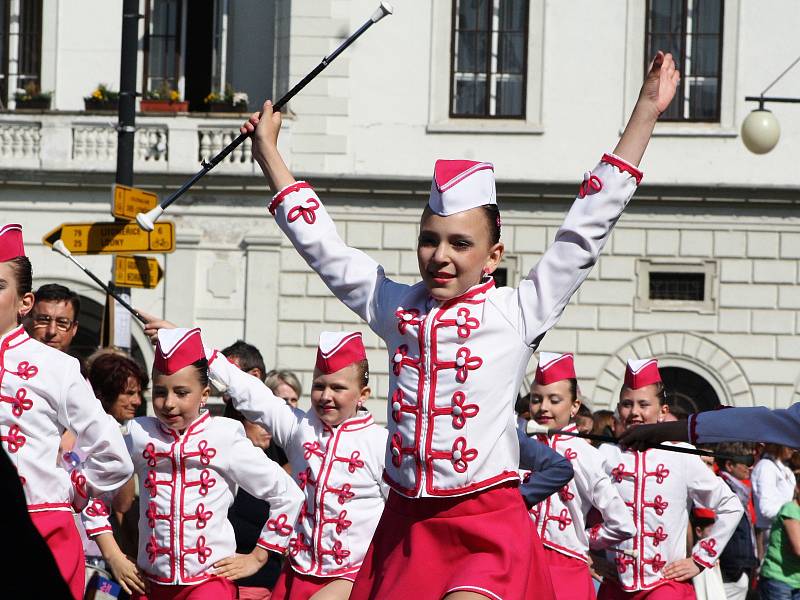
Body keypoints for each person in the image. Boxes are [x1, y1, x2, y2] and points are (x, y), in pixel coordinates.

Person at [241, 50, 680, 599]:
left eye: (460, 243)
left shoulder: (518, 311)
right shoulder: (396, 308)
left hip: (484, 523)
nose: (440, 255)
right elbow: (325, 249)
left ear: (493, 255)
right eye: (430, 239)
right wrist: (269, 155)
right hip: (406, 525)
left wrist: (645, 111)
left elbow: (585, 228)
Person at [82, 327, 304, 600]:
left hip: (210, 585)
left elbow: (289, 494)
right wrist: (113, 554)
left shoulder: (224, 436)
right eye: (161, 392)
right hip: (149, 585)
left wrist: (258, 557)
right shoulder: (139, 435)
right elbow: (89, 490)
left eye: (182, 392)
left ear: (204, 394)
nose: (169, 403)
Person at [199, 330, 389, 600]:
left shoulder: (380, 443)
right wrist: (191, 346)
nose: (325, 395)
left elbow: (399, 515)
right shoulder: (300, 429)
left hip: (353, 577)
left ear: (363, 394)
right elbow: (250, 392)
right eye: (319, 385)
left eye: (338, 388)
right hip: (297, 573)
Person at [0, 223, 133, 599]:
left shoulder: (55, 367)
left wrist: (72, 489)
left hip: (39, 531)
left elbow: (113, 456)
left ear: (25, 303)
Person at [596, 358, 743, 600]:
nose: (634, 412)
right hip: (616, 585)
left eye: (644, 404)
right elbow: (576, 510)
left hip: (665, 586)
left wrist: (700, 559)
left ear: (663, 411)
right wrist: (591, 557)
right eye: (626, 404)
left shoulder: (681, 455)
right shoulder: (605, 454)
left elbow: (731, 505)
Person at [527, 353, 635, 600]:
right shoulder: (518, 447)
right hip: (518, 562)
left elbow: (622, 523)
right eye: (536, 399)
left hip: (564, 570)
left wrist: (582, 539)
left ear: (575, 405)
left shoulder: (587, 456)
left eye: (554, 400)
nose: (543, 407)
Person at [224, 402, 285, 600]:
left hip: (273, 585)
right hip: (239, 587)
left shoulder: (270, 467)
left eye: (268, 421)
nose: (266, 427)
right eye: (258, 421)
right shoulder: (226, 473)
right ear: (237, 423)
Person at [714, 442, 758, 600]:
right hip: (729, 571)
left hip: (739, 569)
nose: (750, 467)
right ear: (729, 465)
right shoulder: (720, 487)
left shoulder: (740, 490)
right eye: (746, 461)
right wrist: (734, 569)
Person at [759, 469, 800, 600]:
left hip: (795, 581)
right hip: (779, 581)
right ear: (798, 488)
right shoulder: (791, 509)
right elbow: (798, 548)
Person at [26, 282, 81, 353]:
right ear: (28, 321)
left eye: (62, 322)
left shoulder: (76, 364)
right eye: (43, 320)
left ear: (74, 328)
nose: (52, 331)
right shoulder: (8, 362)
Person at [688, 508, 727, 600]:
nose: (715, 535)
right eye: (711, 530)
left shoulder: (712, 552)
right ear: (698, 531)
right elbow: (703, 590)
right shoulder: (698, 554)